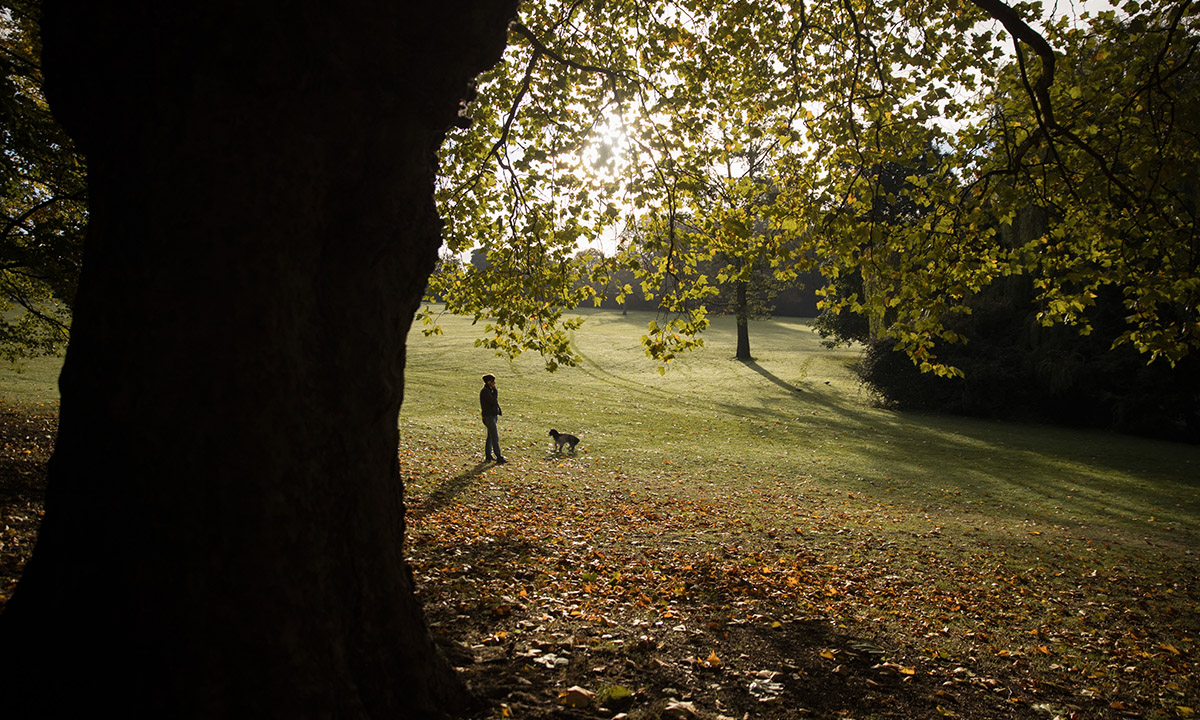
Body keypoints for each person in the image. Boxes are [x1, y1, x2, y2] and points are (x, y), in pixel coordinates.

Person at [479, 373, 506, 464]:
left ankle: (488, 455)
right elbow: (493, 401)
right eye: (492, 381)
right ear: (488, 382)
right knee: (495, 436)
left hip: (492, 415)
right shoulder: (486, 391)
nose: (494, 383)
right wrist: (495, 391)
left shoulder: (489, 390)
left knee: (490, 436)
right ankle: (498, 456)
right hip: (489, 416)